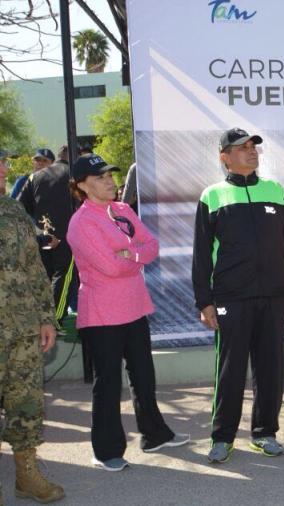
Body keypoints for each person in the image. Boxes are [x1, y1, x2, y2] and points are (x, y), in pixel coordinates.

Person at [192, 127, 284, 464]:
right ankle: (222, 436)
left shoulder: (275, 191)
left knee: (270, 367)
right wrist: (205, 300)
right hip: (231, 297)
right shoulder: (212, 196)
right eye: (241, 148)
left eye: (253, 147)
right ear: (224, 157)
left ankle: (265, 432)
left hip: (274, 296)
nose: (250, 152)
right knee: (229, 370)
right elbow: (201, 255)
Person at [67, 154, 190, 471]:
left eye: (110, 175)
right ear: (82, 186)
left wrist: (130, 253)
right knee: (108, 384)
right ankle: (106, 450)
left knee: (144, 376)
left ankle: (154, 435)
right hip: (103, 315)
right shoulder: (81, 223)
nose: (110, 181)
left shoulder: (122, 210)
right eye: (100, 177)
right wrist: (134, 256)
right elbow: (109, 267)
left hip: (135, 307)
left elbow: (152, 245)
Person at [0, 149, 65, 502]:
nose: (3, 168)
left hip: (21, 329)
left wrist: (45, 317)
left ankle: (27, 476)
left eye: (4, 162)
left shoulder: (13, 210)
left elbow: (35, 270)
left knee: (26, 405)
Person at [17, 145, 79, 323]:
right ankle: (54, 319)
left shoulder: (34, 177)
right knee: (64, 275)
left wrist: (38, 226)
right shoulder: (73, 175)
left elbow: (19, 206)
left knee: (44, 276)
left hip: (42, 234)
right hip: (66, 235)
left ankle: (43, 318)